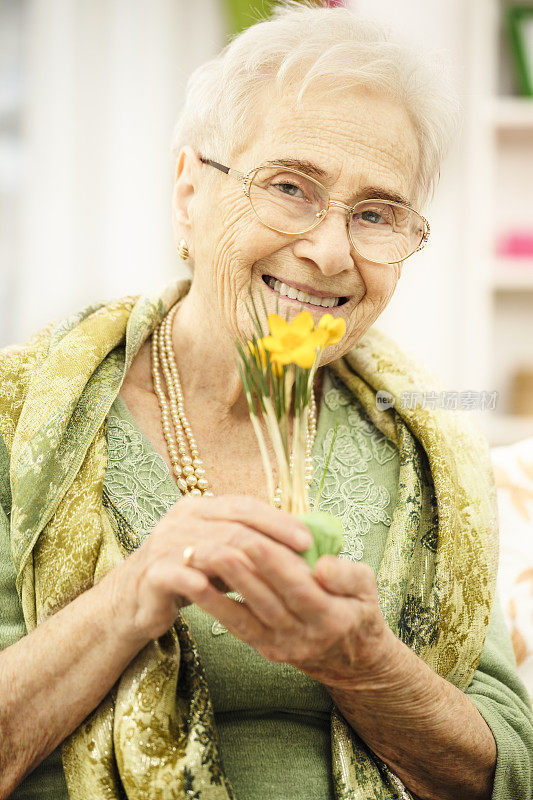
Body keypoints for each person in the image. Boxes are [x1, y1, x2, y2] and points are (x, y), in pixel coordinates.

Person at [0, 2, 532, 799]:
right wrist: (132, 596)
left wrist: (366, 665)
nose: (328, 250)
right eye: (289, 186)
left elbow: (508, 770)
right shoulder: (21, 414)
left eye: (376, 213)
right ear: (188, 193)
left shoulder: (422, 447)